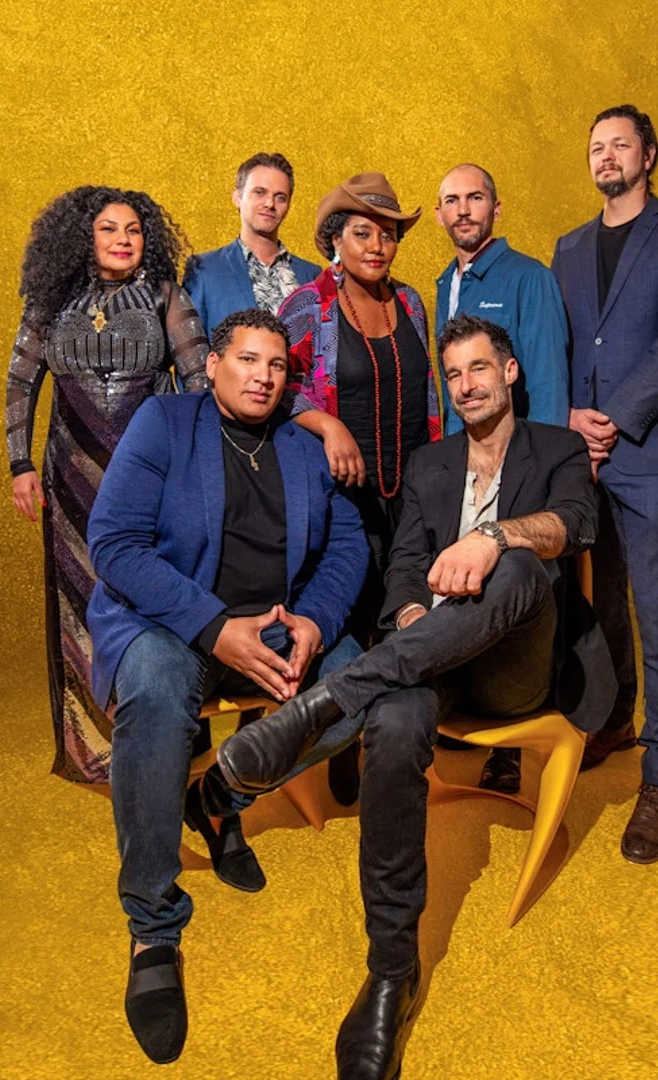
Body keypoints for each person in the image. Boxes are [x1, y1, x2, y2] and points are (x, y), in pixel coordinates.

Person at [214, 315, 616, 1080]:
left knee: (519, 566)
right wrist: (409, 617)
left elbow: (576, 523)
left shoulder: (556, 449)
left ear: (510, 373)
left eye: (479, 369)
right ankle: (390, 972)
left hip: (514, 669)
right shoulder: (431, 466)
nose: (466, 386)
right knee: (395, 725)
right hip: (429, 660)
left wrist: (492, 539)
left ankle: (324, 705)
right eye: (453, 375)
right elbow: (403, 570)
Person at [85, 308, 370, 1065]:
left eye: (276, 365)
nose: (262, 377)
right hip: (172, 623)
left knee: (363, 686)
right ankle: (152, 929)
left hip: (274, 627)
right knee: (155, 685)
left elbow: (346, 545)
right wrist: (214, 628)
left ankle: (218, 797)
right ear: (212, 365)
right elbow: (113, 543)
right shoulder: (165, 424)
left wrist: (314, 622)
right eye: (247, 360)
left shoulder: (303, 447)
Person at [550, 104, 658, 864]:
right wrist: (570, 420)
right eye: (596, 147)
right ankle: (616, 717)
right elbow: (561, 344)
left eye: (620, 144)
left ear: (648, 154)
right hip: (586, 457)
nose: (606, 156)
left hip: (653, 453)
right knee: (600, 600)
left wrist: (612, 420)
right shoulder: (569, 247)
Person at [5, 185, 208, 786]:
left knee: (148, 597)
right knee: (78, 602)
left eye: (134, 230)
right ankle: (90, 747)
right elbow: (21, 381)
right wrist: (20, 465)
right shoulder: (51, 301)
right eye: (109, 229)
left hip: (152, 481)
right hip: (70, 481)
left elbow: (199, 382)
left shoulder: (167, 296)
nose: (123, 240)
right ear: (83, 238)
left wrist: (198, 469)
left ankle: (156, 736)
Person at [278, 172, 442, 805]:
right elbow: (274, 383)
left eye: (387, 235)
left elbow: (428, 392)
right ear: (335, 240)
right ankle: (343, 743)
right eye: (362, 233)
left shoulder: (411, 303)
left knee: (407, 619)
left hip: (413, 490)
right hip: (343, 496)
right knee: (351, 621)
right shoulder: (308, 304)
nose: (377, 246)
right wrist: (328, 426)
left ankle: (394, 749)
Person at [432, 162, 573, 795]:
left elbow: (547, 386)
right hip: (460, 468)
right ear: (440, 213)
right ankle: (454, 702)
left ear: (496, 208)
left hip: (517, 470)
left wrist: (543, 479)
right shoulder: (444, 282)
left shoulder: (529, 278)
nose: (463, 210)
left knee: (515, 587)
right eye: (451, 200)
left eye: (475, 198)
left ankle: (513, 742)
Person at [182, 152, 323, 336]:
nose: (269, 203)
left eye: (280, 197)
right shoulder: (204, 269)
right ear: (237, 197)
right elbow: (191, 346)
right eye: (259, 192)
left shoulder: (312, 275)